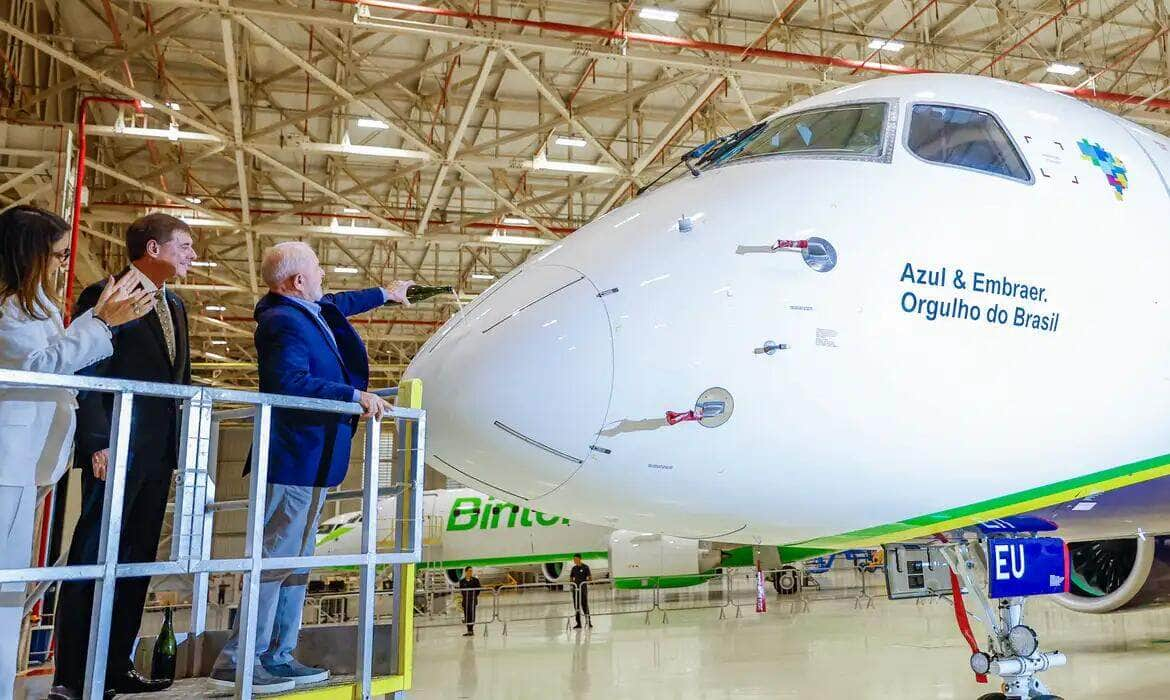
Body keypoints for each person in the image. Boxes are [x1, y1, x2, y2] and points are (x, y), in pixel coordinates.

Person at [209, 242, 413, 693]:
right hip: (296, 456)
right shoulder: (282, 322)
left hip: (318, 457)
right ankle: (241, 660)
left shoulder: (307, 308)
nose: (325, 276)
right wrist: (352, 396)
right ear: (298, 282)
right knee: (275, 560)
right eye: (318, 270)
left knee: (296, 562)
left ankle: (278, 654)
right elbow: (289, 382)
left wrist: (386, 293)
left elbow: (340, 303)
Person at [0, 206, 154, 699]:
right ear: (30, 254)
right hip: (10, 458)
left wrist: (95, 323)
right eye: (59, 255)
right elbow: (44, 365)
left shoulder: (35, 304)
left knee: (11, 588)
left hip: (31, 458)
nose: (65, 264)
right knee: (5, 587)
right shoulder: (7, 307)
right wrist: (101, 323)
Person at [50, 213, 196, 700]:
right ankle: (71, 676)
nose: (191, 255)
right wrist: (96, 440)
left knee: (136, 561)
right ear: (152, 249)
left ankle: (115, 666)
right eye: (184, 246)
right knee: (94, 558)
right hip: (115, 449)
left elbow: (179, 382)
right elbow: (90, 371)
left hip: (158, 455)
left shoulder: (174, 305)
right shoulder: (104, 294)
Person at [569, 554, 592, 629]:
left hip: (583, 590)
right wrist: (572, 584)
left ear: (580, 559)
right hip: (576, 590)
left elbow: (590, 578)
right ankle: (578, 623)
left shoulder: (585, 567)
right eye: (574, 559)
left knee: (585, 605)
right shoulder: (574, 568)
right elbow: (571, 577)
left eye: (576, 559)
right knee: (577, 607)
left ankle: (589, 622)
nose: (574, 560)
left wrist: (586, 581)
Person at [458, 567, 481, 637]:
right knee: (466, 615)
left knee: (472, 615)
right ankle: (468, 630)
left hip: (472, 600)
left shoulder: (475, 580)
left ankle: (471, 630)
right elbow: (462, 591)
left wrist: (473, 596)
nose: (470, 572)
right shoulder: (462, 581)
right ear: (466, 572)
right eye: (469, 571)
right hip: (465, 600)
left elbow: (478, 590)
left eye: (471, 571)